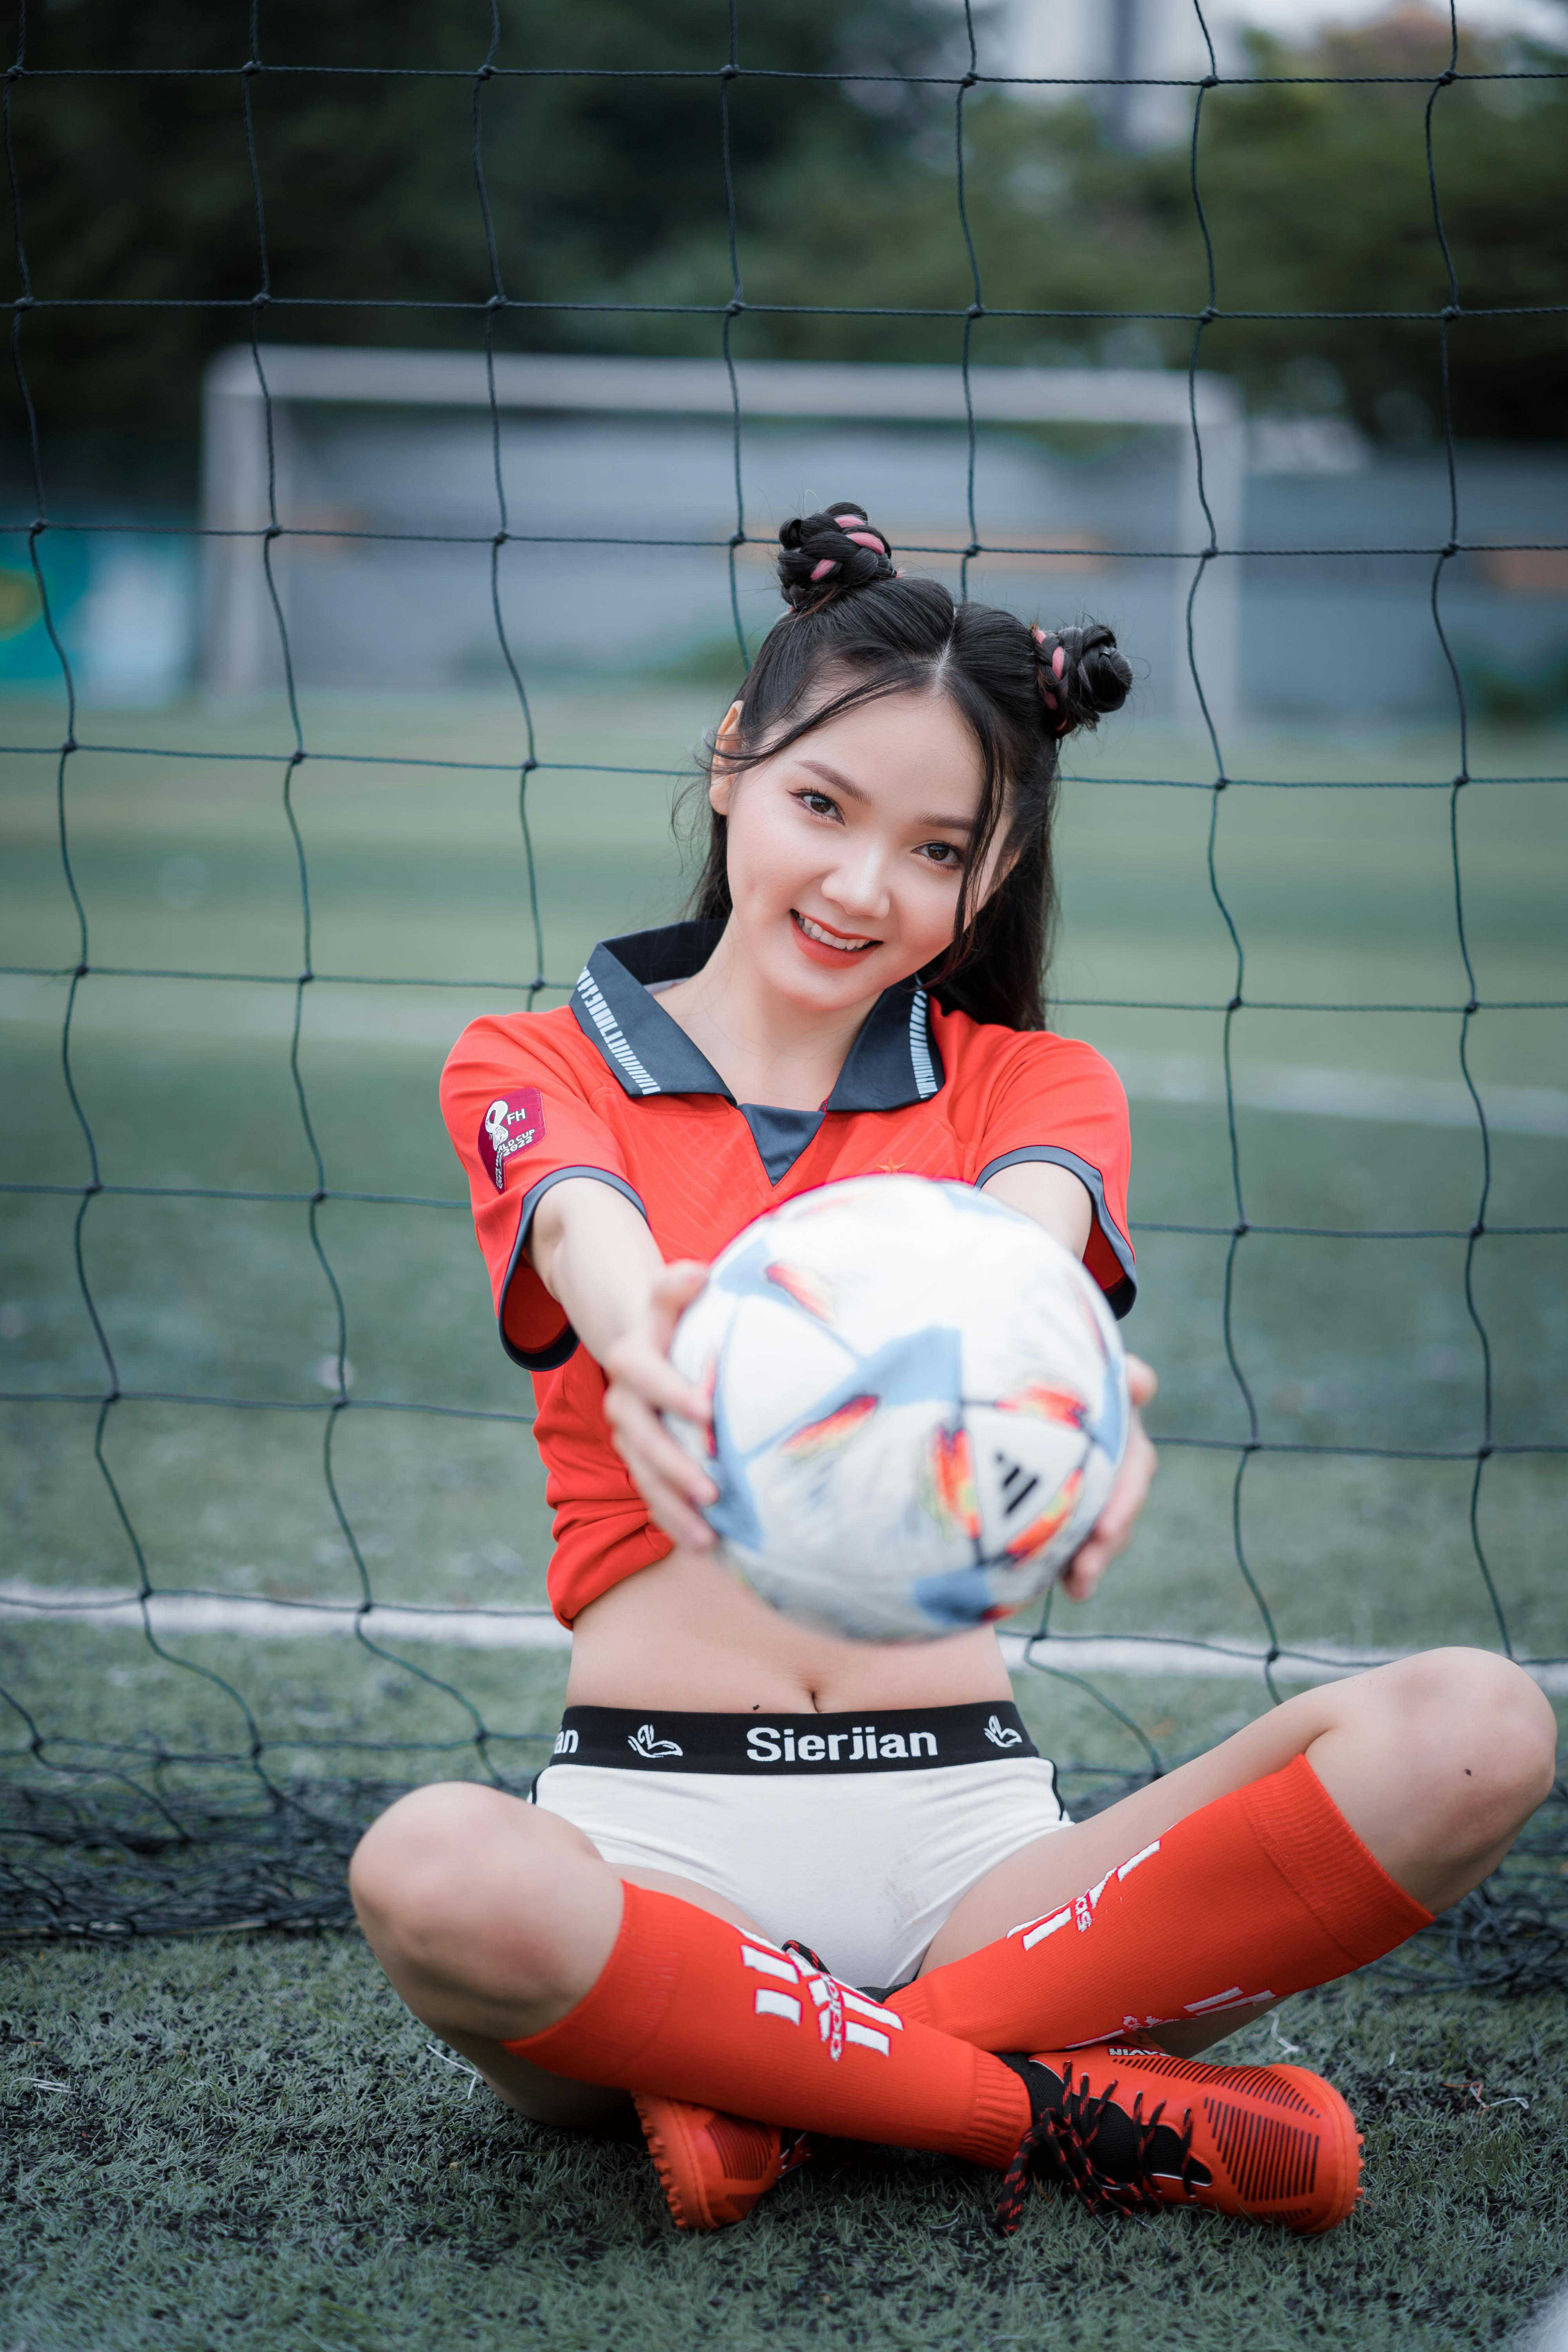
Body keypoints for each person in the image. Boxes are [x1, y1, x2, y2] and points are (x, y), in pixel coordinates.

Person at [350, 504, 1555, 2238]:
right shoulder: (534, 1058)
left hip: (978, 1855)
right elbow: (585, 1242)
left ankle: (782, 2078)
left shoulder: (1034, 1088)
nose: (860, 887)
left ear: (990, 879)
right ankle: (1031, 2106)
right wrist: (649, 1353)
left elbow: (1020, 1258)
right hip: (649, 1852)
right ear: (730, 769)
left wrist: (1070, 1394)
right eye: (821, 808)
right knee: (433, 1871)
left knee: (1474, 1729)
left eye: (935, 850)